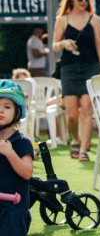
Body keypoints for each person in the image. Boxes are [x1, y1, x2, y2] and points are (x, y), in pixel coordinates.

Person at [52, 0, 100, 161]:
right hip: (69, 68)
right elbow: (54, 45)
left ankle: (83, 148)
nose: (84, 1)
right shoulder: (62, 19)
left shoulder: (94, 19)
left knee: (87, 110)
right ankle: (75, 138)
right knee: (72, 114)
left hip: (90, 66)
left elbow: (99, 46)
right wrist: (64, 43)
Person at [0, 80, 33, 235]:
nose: (1, 110)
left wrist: (9, 152)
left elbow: (27, 172)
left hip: (12, 211)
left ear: (17, 112)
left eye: (7, 106)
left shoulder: (22, 143)